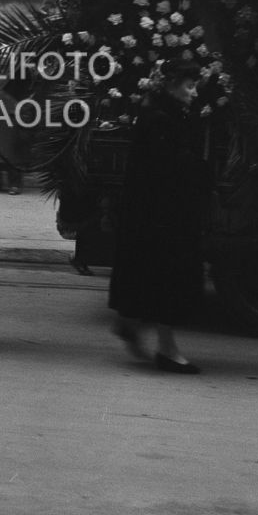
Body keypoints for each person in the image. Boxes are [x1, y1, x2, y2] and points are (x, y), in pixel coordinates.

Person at [107, 58, 212, 374]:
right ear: (171, 86)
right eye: (189, 86)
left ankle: (131, 325)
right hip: (162, 215)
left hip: (160, 213)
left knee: (152, 278)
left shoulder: (168, 113)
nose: (194, 93)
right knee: (167, 279)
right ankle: (167, 350)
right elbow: (168, 170)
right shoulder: (160, 119)